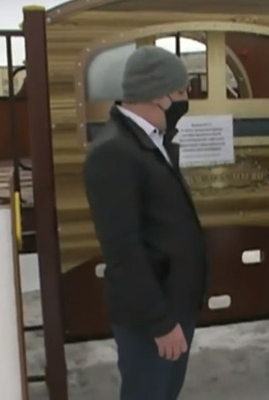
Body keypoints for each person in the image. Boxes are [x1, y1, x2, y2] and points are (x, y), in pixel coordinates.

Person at [83, 45, 209, 400]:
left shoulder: (152, 141)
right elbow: (123, 250)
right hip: (151, 317)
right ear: (157, 94)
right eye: (181, 92)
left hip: (173, 306)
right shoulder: (113, 153)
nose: (185, 101)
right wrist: (160, 322)